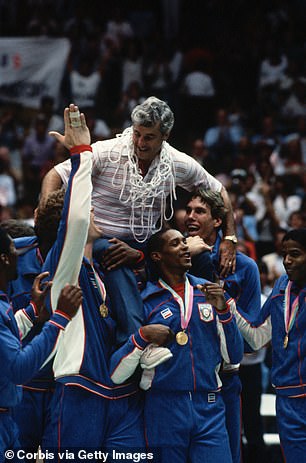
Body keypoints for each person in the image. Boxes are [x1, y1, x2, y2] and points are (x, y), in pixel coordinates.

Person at [40, 96, 237, 347]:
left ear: (165, 136)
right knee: (113, 255)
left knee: (196, 255)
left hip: (147, 244)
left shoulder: (176, 161)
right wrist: (47, 214)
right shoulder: (108, 151)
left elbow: (219, 190)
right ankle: (134, 340)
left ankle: (207, 328)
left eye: (149, 137)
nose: (140, 142)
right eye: (137, 134)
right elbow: (54, 176)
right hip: (103, 239)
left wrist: (230, 237)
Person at [36, 104, 145, 456]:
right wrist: (82, 154)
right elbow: (77, 220)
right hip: (79, 391)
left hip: (118, 396)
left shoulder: (102, 270)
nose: (96, 211)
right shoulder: (63, 267)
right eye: (91, 208)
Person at [110, 227, 244, 463]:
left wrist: (223, 311)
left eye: (184, 242)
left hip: (209, 406)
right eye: (175, 243)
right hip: (164, 408)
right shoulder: (145, 301)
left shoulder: (210, 292)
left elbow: (234, 356)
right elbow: (116, 373)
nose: (184, 246)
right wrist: (141, 337)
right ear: (157, 256)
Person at [183, 188, 262, 463]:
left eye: (200, 211)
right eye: (189, 210)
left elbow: (252, 341)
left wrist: (221, 298)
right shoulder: (170, 255)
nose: (190, 216)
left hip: (223, 379)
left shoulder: (244, 267)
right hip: (177, 380)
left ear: (218, 221)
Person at [0, 225, 82, 462]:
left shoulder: (4, 303)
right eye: (14, 249)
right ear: (4, 259)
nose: (19, 254)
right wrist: (60, 319)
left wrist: (34, 310)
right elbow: (18, 369)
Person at [230, 228, 306, 463]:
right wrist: (227, 307)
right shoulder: (282, 287)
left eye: (295, 254)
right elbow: (257, 338)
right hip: (288, 396)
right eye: (284, 254)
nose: (287, 261)